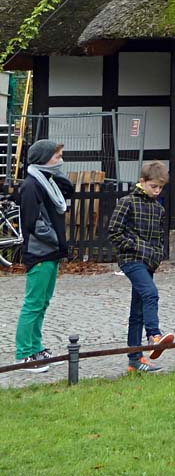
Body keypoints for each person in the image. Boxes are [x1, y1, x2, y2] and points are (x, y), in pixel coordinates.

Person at [108, 160, 175, 374]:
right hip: (130, 260)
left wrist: (156, 256)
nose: (157, 191)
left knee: (137, 312)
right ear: (142, 182)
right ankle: (154, 335)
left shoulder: (158, 208)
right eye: (153, 186)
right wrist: (136, 247)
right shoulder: (127, 202)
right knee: (150, 293)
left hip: (148, 262)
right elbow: (114, 232)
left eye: (160, 187)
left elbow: (158, 238)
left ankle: (135, 359)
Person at [14, 139, 74, 373]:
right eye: (57, 156)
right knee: (33, 304)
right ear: (43, 158)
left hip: (51, 253)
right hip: (39, 253)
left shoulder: (46, 180)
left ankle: (36, 347)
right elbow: (32, 223)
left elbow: (67, 189)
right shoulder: (31, 185)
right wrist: (56, 239)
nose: (60, 160)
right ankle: (23, 353)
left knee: (43, 303)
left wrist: (57, 173)